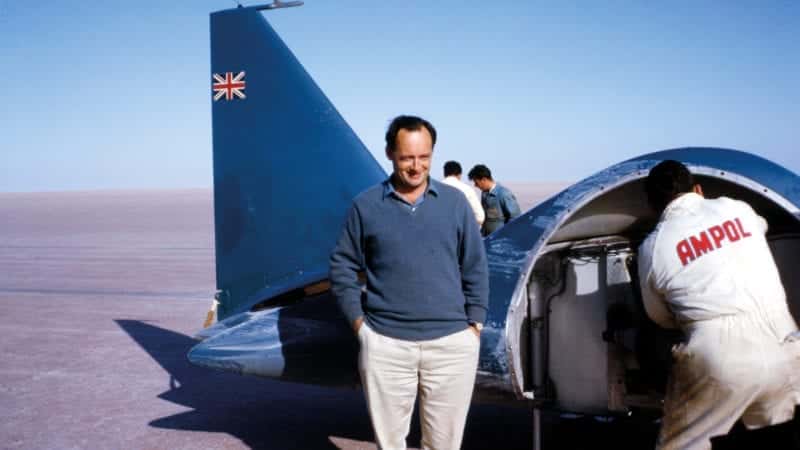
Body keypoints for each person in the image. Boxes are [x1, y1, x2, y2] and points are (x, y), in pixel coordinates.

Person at [330, 115, 489, 450]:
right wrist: (360, 325)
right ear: (390, 153)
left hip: (451, 345)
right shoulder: (367, 206)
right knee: (390, 444)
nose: (416, 167)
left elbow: (475, 266)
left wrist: (474, 324)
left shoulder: (455, 204)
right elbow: (342, 265)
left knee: (444, 444)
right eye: (406, 158)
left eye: (424, 157)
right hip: (386, 345)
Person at [637, 160, 800, 450]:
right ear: (698, 190)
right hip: (784, 342)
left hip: (721, 355)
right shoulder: (737, 208)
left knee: (685, 444)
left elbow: (658, 316)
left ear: (654, 205)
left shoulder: (654, 244)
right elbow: (759, 229)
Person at [467, 164, 521, 236]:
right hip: (487, 238)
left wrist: (505, 235)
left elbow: (515, 218)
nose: (475, 185)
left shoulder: (503, 194)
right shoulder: (484, 194)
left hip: (500, 241)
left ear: (484, 179)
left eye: (476, 182)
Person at [442, 160, 484, 227]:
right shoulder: (467, 190)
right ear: (459, 175)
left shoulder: (434, 189)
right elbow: (480, 217)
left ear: (444, 173)